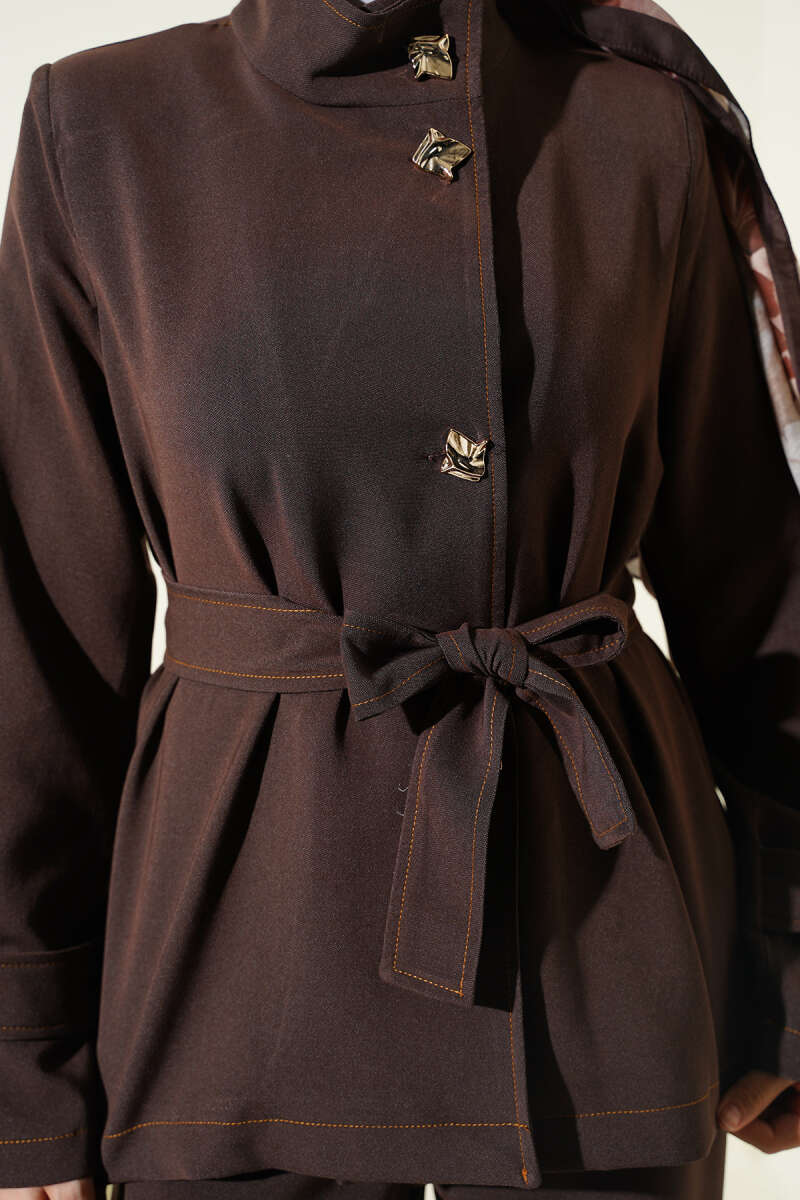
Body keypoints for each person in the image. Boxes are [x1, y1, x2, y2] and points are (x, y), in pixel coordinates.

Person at [1, 0, 799, 1197]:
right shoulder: (104, 125)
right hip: (236, 985)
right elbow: (36, 632)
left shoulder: (638, 123)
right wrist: (24, 1061)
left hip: (599, 963)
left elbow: (759, 581)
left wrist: (786, 972)